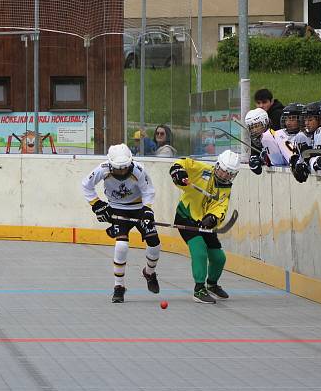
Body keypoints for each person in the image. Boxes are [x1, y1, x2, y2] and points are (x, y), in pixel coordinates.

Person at [81, 143, 161, 303]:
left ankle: (150, 273)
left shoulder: (138, 170)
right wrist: (97, 205)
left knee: (154, 244)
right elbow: (86, 185)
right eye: (118, 168)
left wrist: (147, 210)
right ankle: (119, 286)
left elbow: (148, 191)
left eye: (125, 167)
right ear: (110, 164)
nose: (122, 171)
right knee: (121, 245)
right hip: (117, 209)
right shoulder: (102, 169)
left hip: (138, 207)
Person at [169, 149, 239, 304]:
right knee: (199, 251)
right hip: (185, 217)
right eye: (223, 171)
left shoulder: (226, 187)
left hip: (204, 223)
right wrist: (178, 171)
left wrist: (212, 218)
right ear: (217, 166)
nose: (225, 176)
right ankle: (199, 289)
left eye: (230, 174)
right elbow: (183, 161)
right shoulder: (203, 170)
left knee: (219, 258)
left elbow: (221, 207)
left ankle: (212, 284)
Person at [244, 108, 283, 174]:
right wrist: (254, 161)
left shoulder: (276, 135)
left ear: (265, 122)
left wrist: (263, 159)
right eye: (252, 127)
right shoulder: (255, 139)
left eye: (257, 126)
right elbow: (258, 171)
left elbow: (280, 160)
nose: (255, 130)